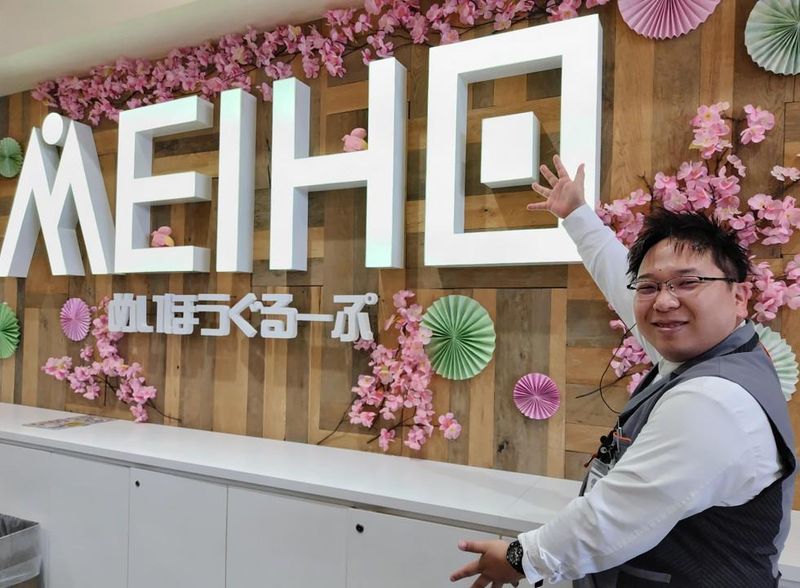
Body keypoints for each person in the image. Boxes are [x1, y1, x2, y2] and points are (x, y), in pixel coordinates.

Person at [450, 155, 797, 587]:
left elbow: (614, 517)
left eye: (687, 283)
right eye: (650, 286)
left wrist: (522, 558)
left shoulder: (713, 401)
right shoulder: (711, 351)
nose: (664, 301)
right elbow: (624, 285)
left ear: (739, 296)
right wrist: (577, 216)